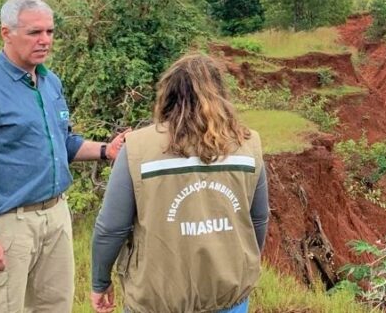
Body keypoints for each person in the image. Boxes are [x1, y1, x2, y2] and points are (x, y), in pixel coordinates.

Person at [0, 0, 127, 312]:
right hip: (9, 223)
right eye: (34, 33)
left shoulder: (48, 81)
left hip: (56, 215)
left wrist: (105, 150)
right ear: (7, 33)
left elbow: (63, 143)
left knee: (55, 306)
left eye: (50, 32)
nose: (45, 40)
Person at [91, 53, 269, 313]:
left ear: (168, 94)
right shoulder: (247, 144)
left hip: (158, 297)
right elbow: (259, 219)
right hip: (229, 293)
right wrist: (243, 262)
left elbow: (111, 228)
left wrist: (100, 281)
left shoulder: (137, 148)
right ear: (220, 94)